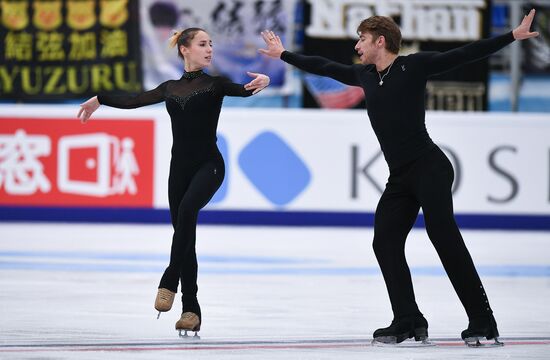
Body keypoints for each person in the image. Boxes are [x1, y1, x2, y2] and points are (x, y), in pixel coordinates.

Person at [259, 10, 539, 346]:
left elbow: (464, 54)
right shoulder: (364, 75)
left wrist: (511, 36)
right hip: (401, 177)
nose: (357, 44)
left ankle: (483, 320)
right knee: (385, 241)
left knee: (443, 235)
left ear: (380, 40)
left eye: (362, 38)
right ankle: (408, 319)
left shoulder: (413, 66)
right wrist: (284, 55)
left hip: (429, 167)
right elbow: (325, 67)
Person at [78, 27, 270, 337]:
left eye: (211, 44)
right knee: (185, 235)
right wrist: (100, 99)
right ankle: (191, 311)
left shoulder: (215, 85)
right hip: (177, 171)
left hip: (210, 166)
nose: (210, 50)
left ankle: (169, 280)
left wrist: (265, 81)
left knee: (187, 212)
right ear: (185, 49)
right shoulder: (169, 88)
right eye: (203, 44)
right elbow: (134, 100)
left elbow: (245, 89)